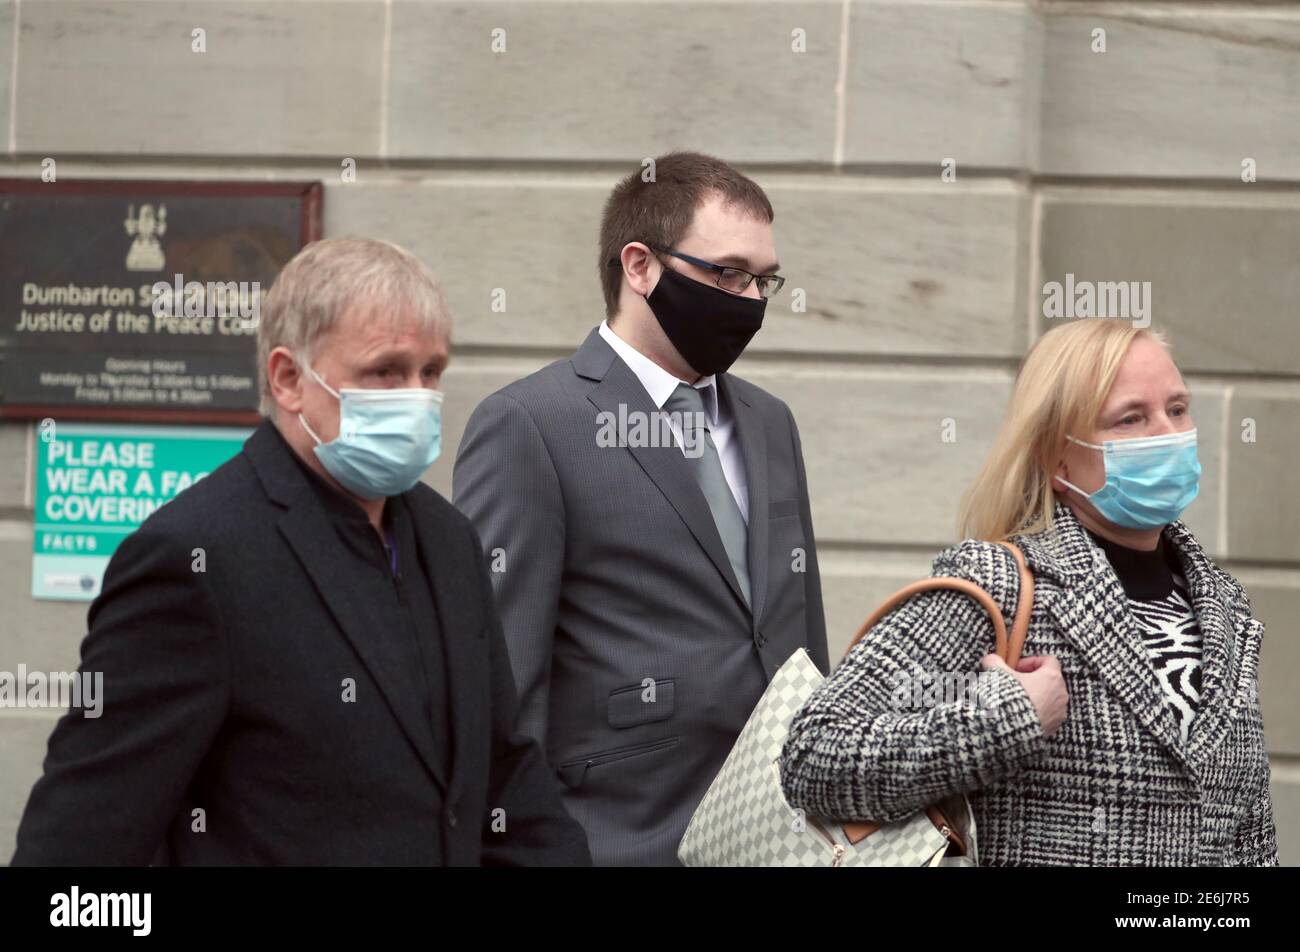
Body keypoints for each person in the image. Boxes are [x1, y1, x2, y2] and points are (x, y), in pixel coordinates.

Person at [12, 238, 591, 866]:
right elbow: (80, 844)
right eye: (384, 371)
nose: (417, 397)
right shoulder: (197, 557)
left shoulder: (448, 539)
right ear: (289, 379)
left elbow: (505, 778)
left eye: (431, 372)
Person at [779, 318, 1278, 866]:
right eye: (1131, 418)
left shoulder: (1223, 606)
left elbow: (1248, 832)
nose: (1167, 432)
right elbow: (813, 757)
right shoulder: (995, 583)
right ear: (1057, 458)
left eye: (1178, 409)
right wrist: (1004, 722)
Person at [454, 152, 829, 865]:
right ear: (639, 265)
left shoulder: (770, 422)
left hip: (782, 842)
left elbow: (797, 637)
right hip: (617, 840)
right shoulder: (530, 424)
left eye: (764, 280)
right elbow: (501, 685)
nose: (749, 299)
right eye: (726, 273)